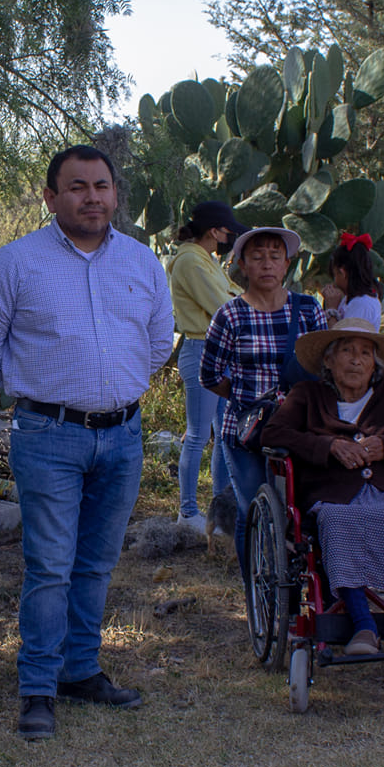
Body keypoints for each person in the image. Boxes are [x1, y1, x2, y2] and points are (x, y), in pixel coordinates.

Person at [0, 146, 173, 740]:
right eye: (77, 187)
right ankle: (38, 688)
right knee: (50, 566)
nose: (92, 197)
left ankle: (81, 671)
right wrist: (36, 387)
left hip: (123, 436)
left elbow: (158, 343)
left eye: (101, 186)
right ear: (51, 197)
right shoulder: (16, 263)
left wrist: (119, 387)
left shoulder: (141, 262)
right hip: (47, 435)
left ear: (115, 194)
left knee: (97, 563)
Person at [259, 318, 384, 655]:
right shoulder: (307, 395)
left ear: (375, 363)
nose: (356, 360)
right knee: (336, 520)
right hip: (331, 492)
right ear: (328, 361)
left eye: (365, 353)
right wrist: (329, 447)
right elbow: (273, 434)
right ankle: (364, 627)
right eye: (347, 351)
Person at [200, 225, 325, 572]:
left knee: (303, 508)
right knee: (251, 508)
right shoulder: (230, 316)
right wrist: (247, 401)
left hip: (299, 430)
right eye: (257, 257)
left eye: (275, 257)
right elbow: (209, 375)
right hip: (245, 434)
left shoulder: (307, 310)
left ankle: (299, 577)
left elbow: (322, 367)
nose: (267, 264)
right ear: (243, 265)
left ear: (287, 264)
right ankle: (256, 588)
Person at [165, 199, 241, 537]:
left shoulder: (205, 259)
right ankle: (188, 511)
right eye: (227, 231)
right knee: (198, 435)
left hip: (219, 352)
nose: (229, 237)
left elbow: (233, 295)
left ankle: (220, 511)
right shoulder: (190, 261)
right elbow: (223, 304)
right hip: (200, 350)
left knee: (225, 435)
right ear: (214, 230)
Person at [319, 229, 384, 326]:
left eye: (335, 274)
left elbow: (341, 339)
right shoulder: (350, 299)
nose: (334, 282)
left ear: (342, 272)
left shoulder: (362, 304)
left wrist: (331, 309)